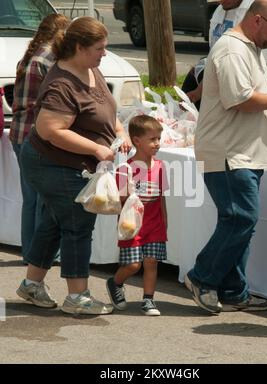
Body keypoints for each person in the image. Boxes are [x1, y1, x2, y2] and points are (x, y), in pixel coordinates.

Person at [184, 0, 267, 314]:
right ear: (257, 20)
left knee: (240, 222)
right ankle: (202, 277)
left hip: (242, 153)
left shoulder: (251, 49)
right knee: (240, 218)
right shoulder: (233, 49)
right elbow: (240, 100)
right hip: (228, 153)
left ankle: (235, 290)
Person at [16, 16, 131, 315]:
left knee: (56, 221)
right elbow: (50, 130)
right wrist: (96, 148)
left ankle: (32, 284)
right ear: (79, 47)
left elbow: (103, 109)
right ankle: (77, 297)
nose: (104, 53)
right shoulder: (62, 84)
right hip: (51, 164)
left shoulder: (91, 68)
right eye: (99, 48)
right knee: (78, 224)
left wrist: (119, 131)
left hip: (71, 164)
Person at [9, 14, 69, 263]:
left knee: (30, 199)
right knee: (43, 199)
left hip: (19, 131)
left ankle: (29, 252)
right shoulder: (49, 59)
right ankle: (40, 255)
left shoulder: (28, 57)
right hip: (36, 134)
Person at [106, 115, 168, 316]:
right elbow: (120, 200)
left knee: (151, 262)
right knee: (133, 264)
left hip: (154, 224)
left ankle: (148, 300)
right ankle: (115, 282)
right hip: (132, 224)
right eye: (152, 139)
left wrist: (164, 222)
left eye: (159, 138)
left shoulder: (160, 167)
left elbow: (161, 197)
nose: (157, 143)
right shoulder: (126, 169)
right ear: (137, 141)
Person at [183, 0, 267, 108]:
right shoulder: (220, 10)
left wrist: (253, 98)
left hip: (240, 100)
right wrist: (196, 94)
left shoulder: (255, 13)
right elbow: (214, 64)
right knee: (195, 73)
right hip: (225, 92)